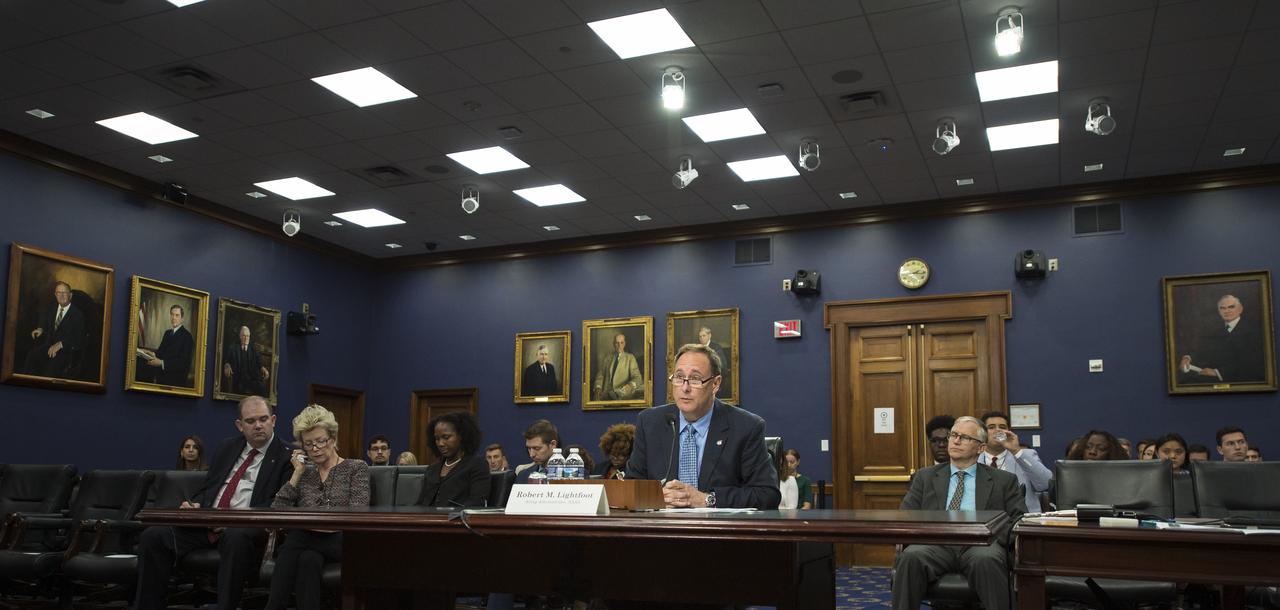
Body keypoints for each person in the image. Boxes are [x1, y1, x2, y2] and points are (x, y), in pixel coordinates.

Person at [133, 396, 292, 610]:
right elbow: (210, 487)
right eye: (250, 421)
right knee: (154, 536)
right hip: (207, 522)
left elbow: (279, 503)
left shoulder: (286, 456)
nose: (258, 426)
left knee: (234, 536)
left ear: (273, 420)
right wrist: (196, 505)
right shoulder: (227, 447)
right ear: (239, 425)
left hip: (246, 527)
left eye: (263, 419)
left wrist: (233, 520)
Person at [893, 416, 1026, 610]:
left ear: (980, 448)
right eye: (953, 435)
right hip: (936, 543)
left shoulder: (1003, 480)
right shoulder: (925, 477)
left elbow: (1018, 519)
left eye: (964, 437)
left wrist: (997, 538)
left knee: (987, 559)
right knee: (911, 556)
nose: (955, 441)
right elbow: (906, 514)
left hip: (981, 544)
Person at [625, 344, 779, 510]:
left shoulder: (746, 427)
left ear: (715, 384)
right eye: (678, 377)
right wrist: (657, 497)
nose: (685, 388)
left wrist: (707, 499)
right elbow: (631, 488)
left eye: (695, 379)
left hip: (719, 533)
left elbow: (767, 495)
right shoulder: (650, 423)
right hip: (662, 530)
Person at [265, 405, 370, 610]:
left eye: (320, 441)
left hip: (342, 540)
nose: (315, 449)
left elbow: (358, 512)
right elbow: (277, 512)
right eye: (309, 444)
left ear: (333, 439)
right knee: (308, 560)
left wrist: (317, 526)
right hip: (307, 544)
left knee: (295, 541)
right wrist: (296, 474)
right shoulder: (305, 473)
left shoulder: (356, 468)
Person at [1179, 294, 1266, 383]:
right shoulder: (1214, 330)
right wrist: (1188, 358)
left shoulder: (1253, 331)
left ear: (1240, 309)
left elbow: (1253, 362)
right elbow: (1202, 351)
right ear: (1219, 311)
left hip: (1242, 382)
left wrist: (1218, 372)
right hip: (1213, 382)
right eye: (1222, 308)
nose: (1226, 311)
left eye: (1231, 307)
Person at [978, 411, 1052, 512]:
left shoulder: (1026, 455)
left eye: (1002, 427)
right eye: (991, 427)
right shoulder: (973, 458)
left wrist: (1016, 451)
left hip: (1022, 519)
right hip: (984, 519)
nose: (998, 430)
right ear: (982, 433)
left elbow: (1046, 483)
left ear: (1009, 432)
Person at [418, 411, 489, 507]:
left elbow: (476, 502)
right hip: (427, 519)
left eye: (446, 437)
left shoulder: (477, 465)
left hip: (456, 520)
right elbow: (421, 503)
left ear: (461, 436)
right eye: (437, 439)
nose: (440, 443)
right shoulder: (432, 469)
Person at [22, 280, 85, 377]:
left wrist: (61, 344)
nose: (61, 295)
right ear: (55, 295)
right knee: (31, 356)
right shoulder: (51, 308)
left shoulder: (78, 315)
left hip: (66, 352)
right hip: (48, 346)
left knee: (50, 369)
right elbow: (45, 322)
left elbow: (79, 340)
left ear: (70, 295)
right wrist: (41, 329)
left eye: (64, 292)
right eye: (58, 293)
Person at [138, 304, 194, 387]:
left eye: (177, 315)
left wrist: (161, 363)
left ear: (182, 318)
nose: (173, 318)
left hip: (175, 379)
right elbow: (161, 352)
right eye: (172, 314)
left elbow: (183, 363)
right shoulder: (167, 333)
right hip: (162, 376)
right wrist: (150, 353)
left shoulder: (187, 336)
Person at [592, 332, 642, 401]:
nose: (619, 345)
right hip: (605, 396)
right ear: (613, 344)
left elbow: (638, 377)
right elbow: (601, 375)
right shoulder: (607, 358)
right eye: (617, 343)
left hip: (621, 396)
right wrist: (598, 387)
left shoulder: (630, 358)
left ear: (625, 344)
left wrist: (630, 386)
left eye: (621, 343)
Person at [222, 325, 269, 396]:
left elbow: (259, 363)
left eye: (248, 336)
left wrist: (263, 368)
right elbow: (227, 360)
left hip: (251, 379)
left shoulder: (254, 349)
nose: (246, 338)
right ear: (240, 336)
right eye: (244, 336)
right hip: (238, 378)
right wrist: (227, 365)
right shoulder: (233, 348)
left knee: (262, 389)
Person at [697, 325, 731, 399]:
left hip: (714, 379)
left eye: (704, 336)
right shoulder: (698, 348)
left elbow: (722, 366)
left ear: (709, 336)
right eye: (700, 336)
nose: (702, 338)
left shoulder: (716, 347)